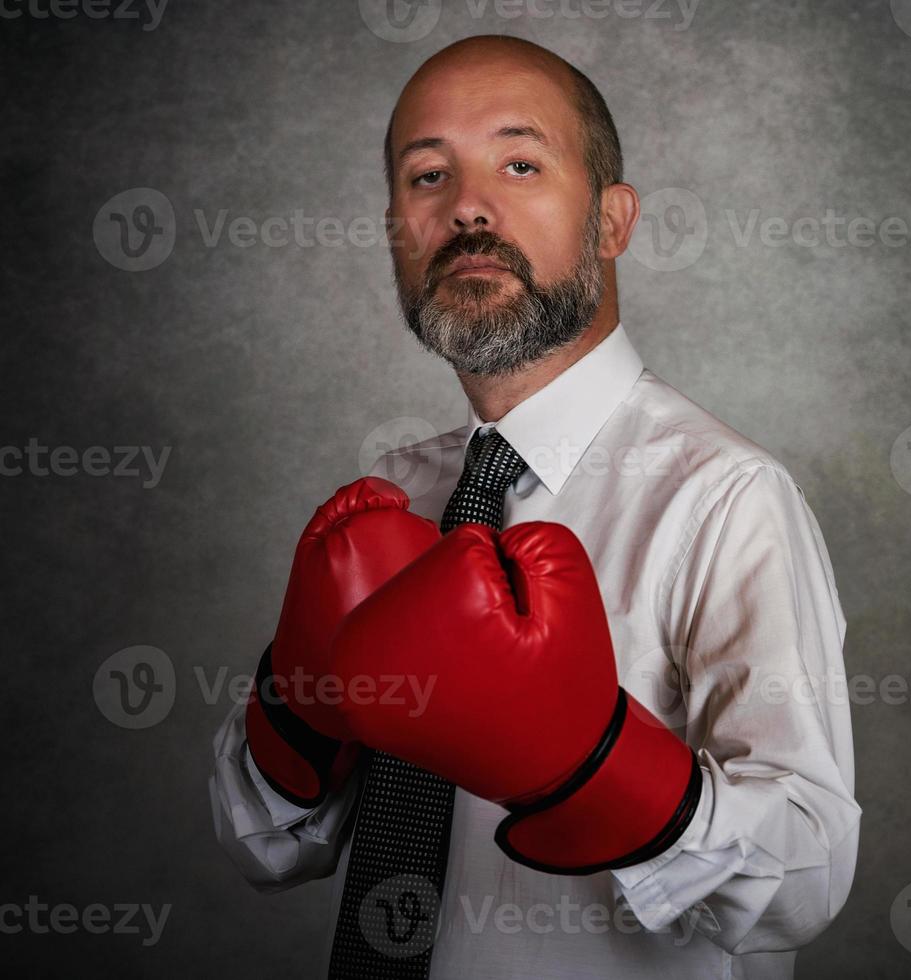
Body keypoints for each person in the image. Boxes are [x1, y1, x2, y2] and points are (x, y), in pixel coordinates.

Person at [209, 34, 859, 979]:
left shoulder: (724, 496)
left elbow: (810, 880)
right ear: (397, 226)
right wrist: (299, 704)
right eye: (428, 175)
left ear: (611, 220)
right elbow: (262, 846)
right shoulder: (394, 495)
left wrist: (593, 764)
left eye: (521, 163)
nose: (468, 205)